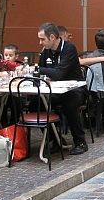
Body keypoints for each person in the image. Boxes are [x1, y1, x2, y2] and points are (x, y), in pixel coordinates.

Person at [37, 22, 88, 154]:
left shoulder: (69, 48)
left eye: (42, 39)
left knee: (70, 105)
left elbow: (59, 74)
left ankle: (80, 142)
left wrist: (36, 69)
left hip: (75, 88)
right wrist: (39, 71)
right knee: (36, 105)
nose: (40, 42)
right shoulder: (45, 51)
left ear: (52, 37)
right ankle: (55, 139)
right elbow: (41, 73)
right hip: (55, 89)